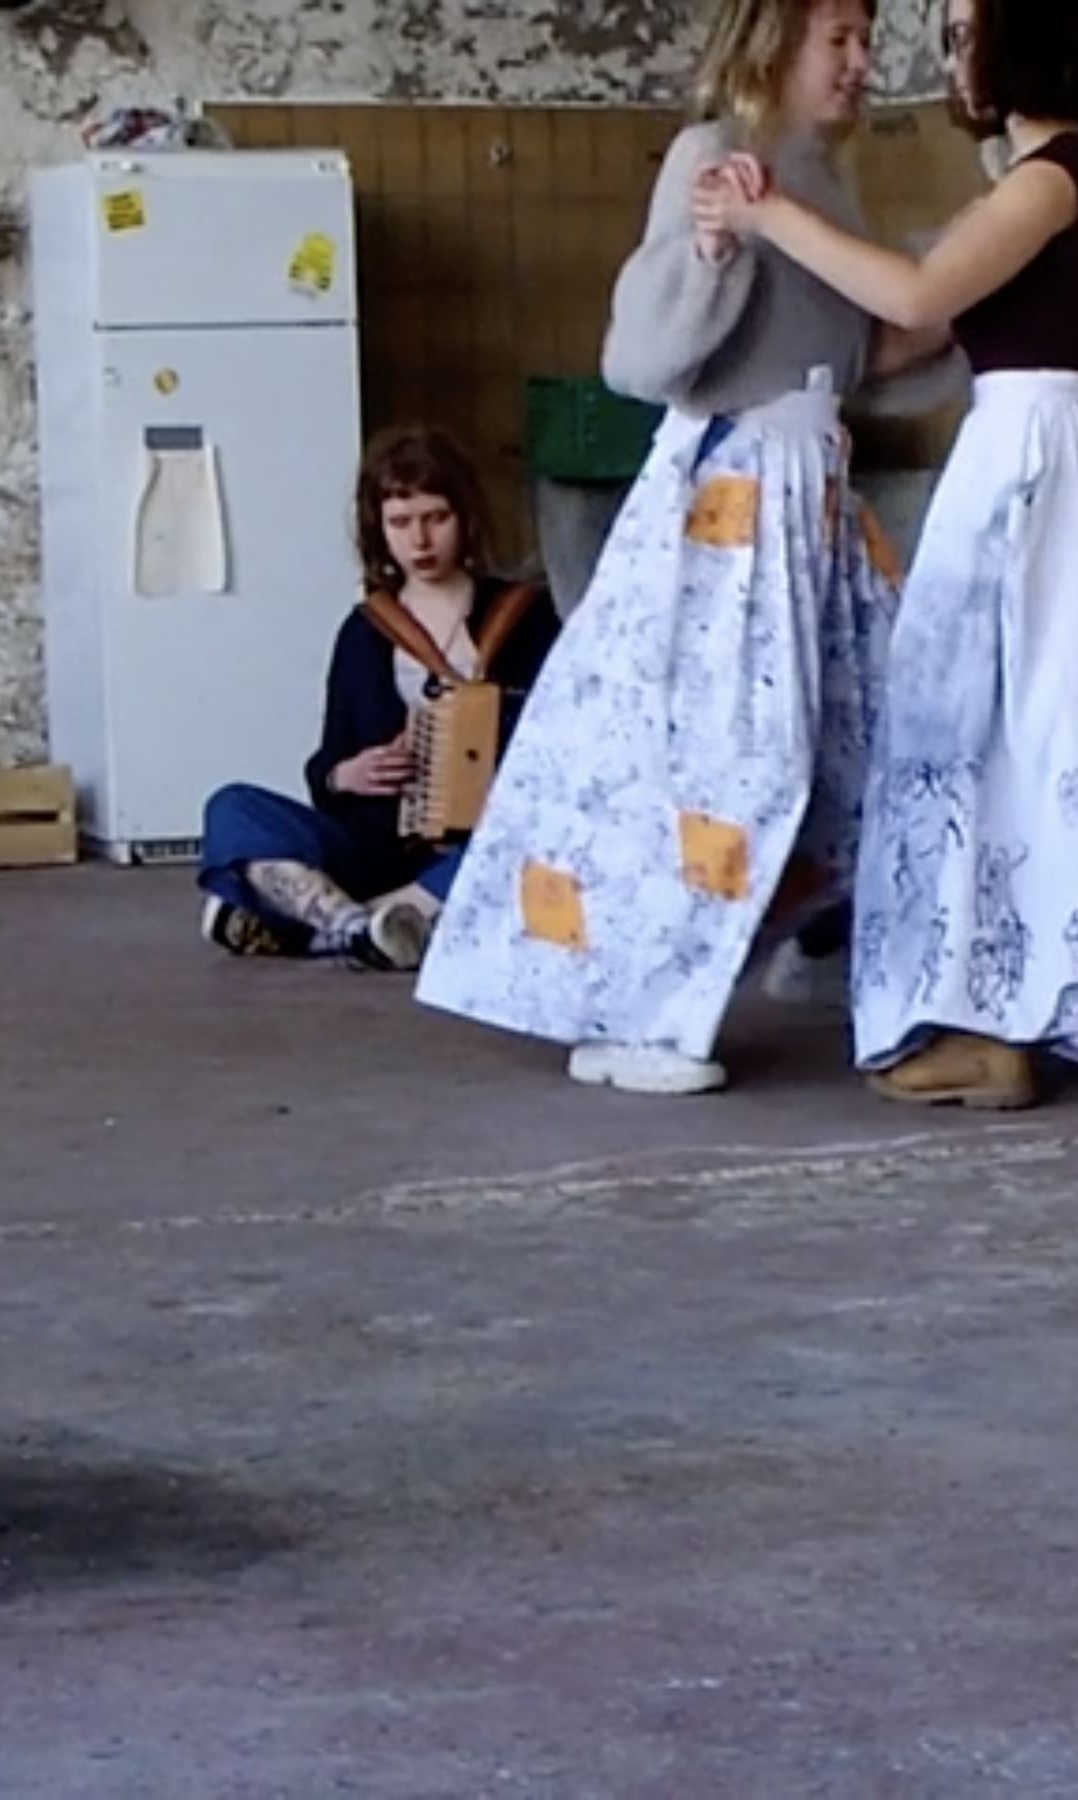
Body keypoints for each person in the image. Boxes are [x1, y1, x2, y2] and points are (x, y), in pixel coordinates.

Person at [692, 0, 1078, 1109]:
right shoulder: (1029, 185)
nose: (950, 58)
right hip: (1030, 459)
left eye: (963, 31)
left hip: (1039, 472)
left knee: (1013, 738)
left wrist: (769, 211)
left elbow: (916, 296)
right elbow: (899, 337)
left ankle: (1019, 1018)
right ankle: (1019, 1004)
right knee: (1008, 740)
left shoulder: (1052, 179)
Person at [414, 0, 961, 1096]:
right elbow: (641, 359)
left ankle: (811, 943)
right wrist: (709, 251)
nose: (863, 62)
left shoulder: (818, 176)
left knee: (860, 741)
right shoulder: (717, 154)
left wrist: (963, 298)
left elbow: (847, 353)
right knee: (732, 764)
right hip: (731, 509)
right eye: (841, 39)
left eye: (866, 39)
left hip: (805, 500)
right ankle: (646, 1018)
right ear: (778, 41)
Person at [197, 424, 558, 970]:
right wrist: (346, 775)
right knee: (232, 808)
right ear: (379, 529)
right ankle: (366, 928)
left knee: (529, 844)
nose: (420, 541)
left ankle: (329, 926)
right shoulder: (365, 631)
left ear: (466, 517)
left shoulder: (527, 618)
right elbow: (326, 767)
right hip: (376, 846)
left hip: (481, 843)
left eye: (436, 518)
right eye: (401, 523)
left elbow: (563, 744)